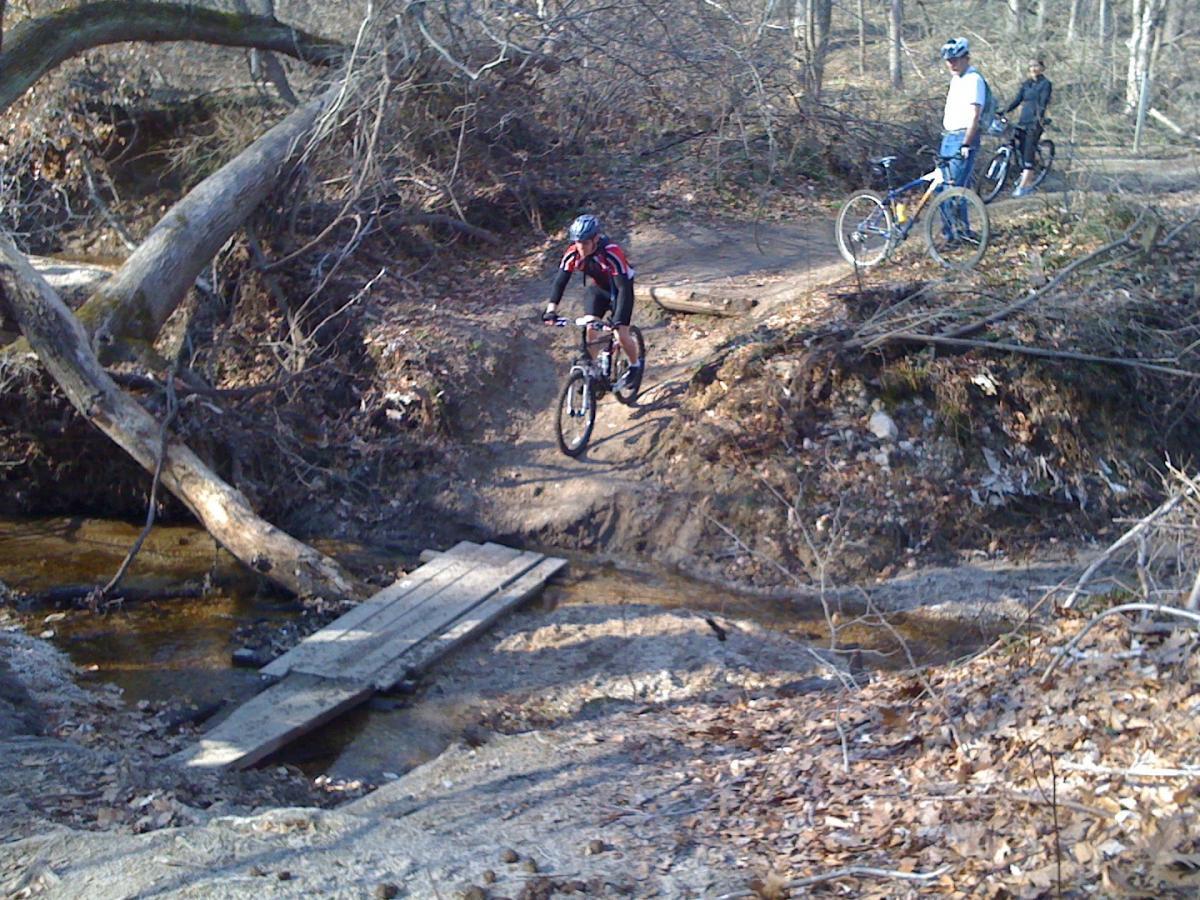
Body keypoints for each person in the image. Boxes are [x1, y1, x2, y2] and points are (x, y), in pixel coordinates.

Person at [542, 214, 642, 392]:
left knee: (621, 334)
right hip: (598, 289)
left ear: (595, 239)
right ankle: (591, 373)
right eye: (577, 242)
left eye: (585, 242)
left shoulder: (611, 252)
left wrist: (618, 320)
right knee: (590, 328)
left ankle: (635, 366)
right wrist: (551, 310)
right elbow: (560, 282)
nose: (581, 247)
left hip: (620, 289)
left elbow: (623, 288)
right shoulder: (573, 253)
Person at [1001, 59, 1052, 197]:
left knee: (1028, 152)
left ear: (1042, 68)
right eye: (1031, 66)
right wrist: (1004, 111)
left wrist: (1039, 118)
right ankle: (1025, 172)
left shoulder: (1045, 84)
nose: (1033, 69)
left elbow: (1043, 102)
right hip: (1023, 120)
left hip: (1035, 122)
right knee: (1020, 148)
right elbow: (1017, 100)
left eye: (1036, 66)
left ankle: (1025, 187)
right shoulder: (1026, 84)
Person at [940, 37, 985, 189]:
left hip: (962, 137)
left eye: (955, 60)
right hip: (948, 136)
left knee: (955, 189)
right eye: (948, 61)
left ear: (966, 58)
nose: (951, 64)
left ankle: (958, 214)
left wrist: (966, 143)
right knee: (943, 188)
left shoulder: (974, 80)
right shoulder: (956, 79)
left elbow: (975, 115)